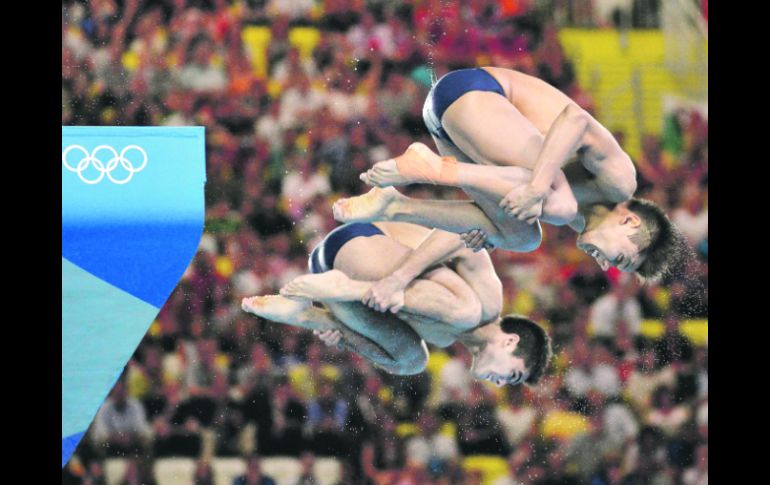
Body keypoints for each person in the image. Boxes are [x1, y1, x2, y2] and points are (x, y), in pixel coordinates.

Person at [333, 66, 686, 282]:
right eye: (619, 258)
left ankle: (394, 206)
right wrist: (536, 186)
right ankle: (435, 170)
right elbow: (575, 119)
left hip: (450, 126)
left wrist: (492, 228)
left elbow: (507, 189)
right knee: (556, 203)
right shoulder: (621, 181)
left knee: (522, 238)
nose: (605, 263)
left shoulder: (575, 219)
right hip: (475, 94)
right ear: (631, 224)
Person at [242, 221, 551, 387]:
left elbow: (385, 327)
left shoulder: (447, 336)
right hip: (360, 245)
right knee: (468, 311)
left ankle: (313, 317)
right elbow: (456, 231)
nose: (500, 385)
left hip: (331, 276)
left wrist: (345, 339)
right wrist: (399, 279)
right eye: (511, 376)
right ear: (511, 340)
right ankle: (345, 289)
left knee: (412, 362)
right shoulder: (488, 300)